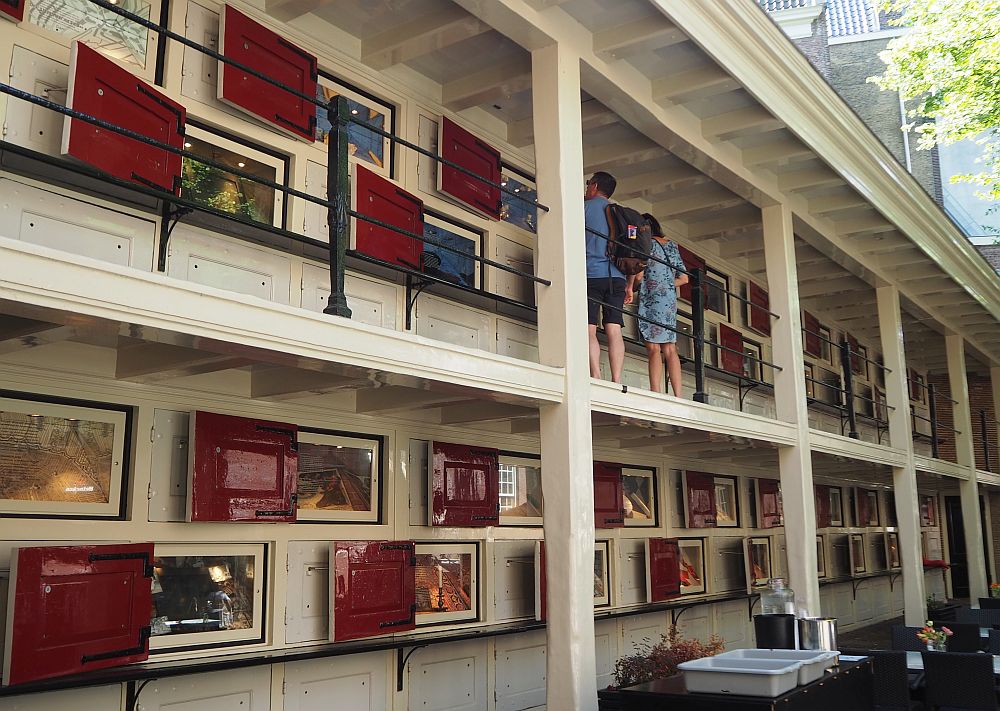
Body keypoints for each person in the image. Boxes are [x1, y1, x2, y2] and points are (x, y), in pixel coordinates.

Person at [625, 214, 687, 396]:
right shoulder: (671, 245)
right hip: (668, 300)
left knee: (653, 348)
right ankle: (678, 395)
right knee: (669, 347)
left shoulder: (645, 244)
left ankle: (656, 391)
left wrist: (633, 286)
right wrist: (666, 285)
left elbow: (638, 276)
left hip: (651, 299)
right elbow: (683, 278)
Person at [584, 171, 625, 383]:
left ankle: (596, 375)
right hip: (618, 278)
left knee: (589, 328)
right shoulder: (620, 213)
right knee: (614, 329)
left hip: (591, 275)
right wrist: (630, 286)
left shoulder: (584, 208)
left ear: (594, 185)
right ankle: (616, 379)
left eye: (588, 183)